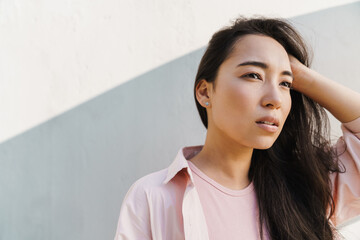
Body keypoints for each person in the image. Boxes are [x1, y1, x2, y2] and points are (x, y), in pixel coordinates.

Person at [114, 17, 360, 240]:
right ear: (205, 91)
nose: (274, 98)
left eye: (285, 84)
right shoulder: (153, 197)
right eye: (253, 75)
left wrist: (304, 77)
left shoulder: (305, 186)